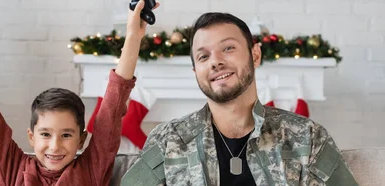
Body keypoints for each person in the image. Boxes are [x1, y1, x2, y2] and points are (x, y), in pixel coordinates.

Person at [0, 1, 159, 185]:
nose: (54, 146)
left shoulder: (92, 170)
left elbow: (112, 108)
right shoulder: (13, 168)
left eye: (66, 135)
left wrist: (133, 36)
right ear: (32, 137)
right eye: (45, 134)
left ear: (82, 140)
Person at [120, 12, 358, 186]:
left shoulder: (308, 137)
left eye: (228, 48)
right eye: (203, 57)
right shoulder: (169, 140)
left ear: (255, 55)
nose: (215, 61)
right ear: (196, 73)